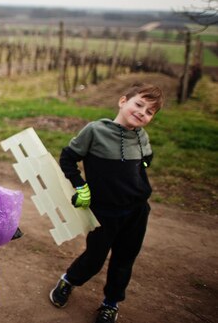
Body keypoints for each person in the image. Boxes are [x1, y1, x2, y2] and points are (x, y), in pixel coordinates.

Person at [49, 83, 164, 323]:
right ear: (123, 101)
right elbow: (68, 158)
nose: (142, 112)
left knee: (124, 259)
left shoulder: (141, 136)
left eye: (149, 112)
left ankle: (110, 303)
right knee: (95, 257)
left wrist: (136, 172)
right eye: (139, 104)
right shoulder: (95, 130)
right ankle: (69, 280)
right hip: (104, 212)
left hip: (136, 211)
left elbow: (147, 158)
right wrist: (81, 185)